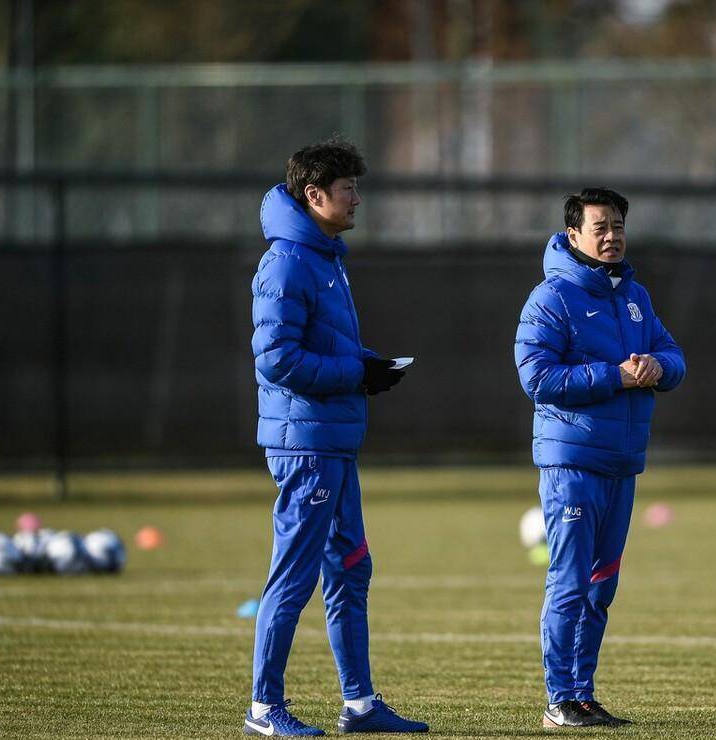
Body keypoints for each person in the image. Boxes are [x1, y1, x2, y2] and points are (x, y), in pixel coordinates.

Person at [247, 138, 428, 736]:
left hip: (333, 442)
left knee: (351, 569)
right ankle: (264, 709)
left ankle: (360, 705)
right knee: (295, 574)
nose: (356, 199)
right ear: (314, 194)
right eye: (347, 189)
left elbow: (323, 346)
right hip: (305, 446)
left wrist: (368, 365)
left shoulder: (325, 258)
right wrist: (356, 373)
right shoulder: (286, 263)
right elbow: (277, 359)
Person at [514, 188, 686, 728]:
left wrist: (658, 368)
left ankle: (583, 695)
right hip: (572, 462)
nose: (612, 236)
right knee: (569, 582)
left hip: (621, 462)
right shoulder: (551, 298)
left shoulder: (635, 296)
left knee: (601, 585)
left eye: (618, 226)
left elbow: (674, 356)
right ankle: (559, 699)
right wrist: (615, 376)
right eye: (600, 227)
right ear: (573, 235)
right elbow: (536, 377)